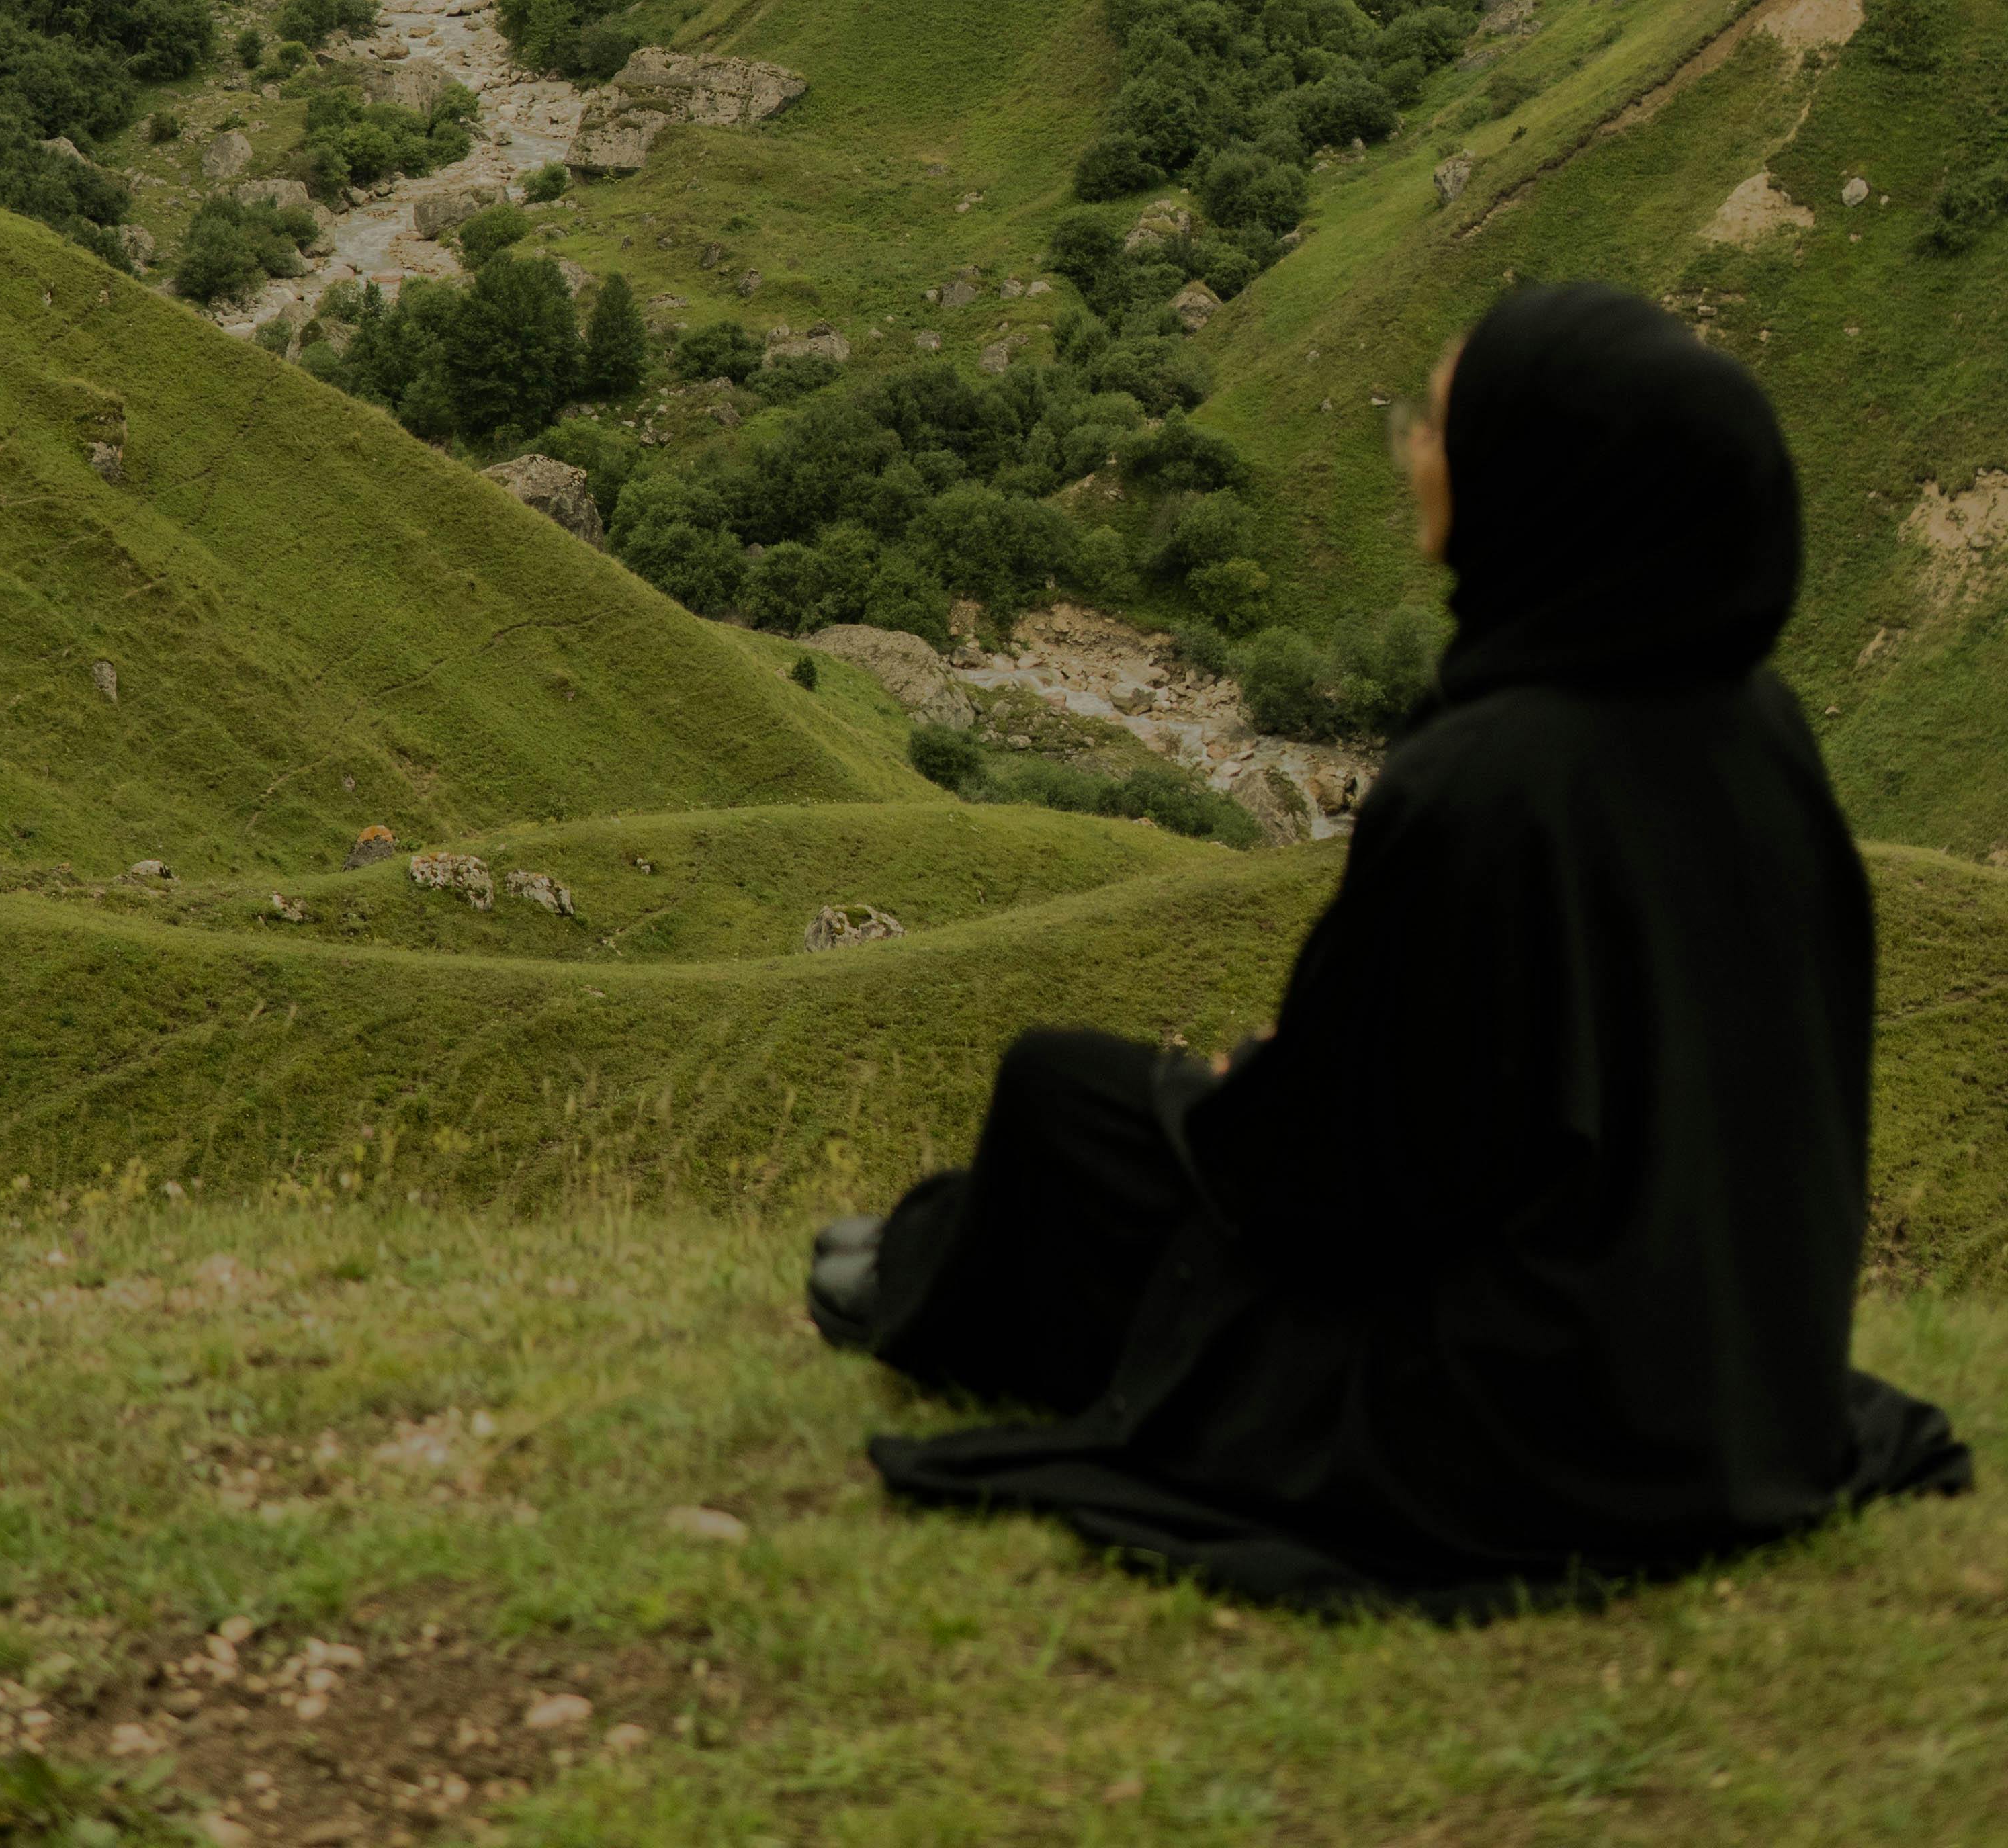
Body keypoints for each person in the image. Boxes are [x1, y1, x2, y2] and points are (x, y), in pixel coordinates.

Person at [812, 281, 1970, 1612]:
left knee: (1064, 1094)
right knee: (1136, 1125)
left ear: (1532, 480)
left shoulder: (1487, 782)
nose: (1415, 447)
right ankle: (932, 1250)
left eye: (1435, 422)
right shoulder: (1755, 730)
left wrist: (1238, 1096)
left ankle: (928, 1273)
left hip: (1523, 1422)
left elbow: (1339, 1193)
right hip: (1735, 1382)